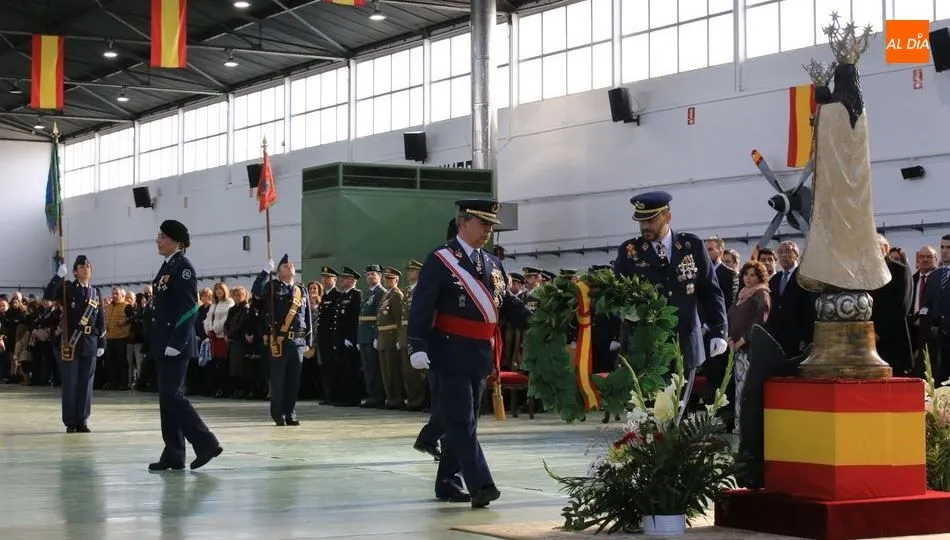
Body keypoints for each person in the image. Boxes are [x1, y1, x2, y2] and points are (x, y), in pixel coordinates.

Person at [408, 199, 529, 508]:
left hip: (480, 353)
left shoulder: (493, 263)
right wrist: (417, 345)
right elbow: (422, 304)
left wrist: (543, 322)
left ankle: (447, 481)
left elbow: (508, 305)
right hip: (448, 350)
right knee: (462, 421)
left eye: (491, 226)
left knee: (465, 419)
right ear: (463, 223)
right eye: (483, 224)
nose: (488, 231)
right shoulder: (441, 259)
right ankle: (481, 485)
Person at [612, 191, 728, 408]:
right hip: (646, 347)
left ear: (667, 216)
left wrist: (719, 330)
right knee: (648, 413)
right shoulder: (630, 251)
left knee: (679, 410)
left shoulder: (691, 246)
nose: (645, 227)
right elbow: (616, 294)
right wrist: (626, 311)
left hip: (685, 342)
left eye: (650, 220)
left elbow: (711, 292)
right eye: (641, 221)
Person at [148, 219, 222, 471]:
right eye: (159, 236)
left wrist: (177, 341)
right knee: (166, 400)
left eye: (163, 237)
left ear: (176, 242)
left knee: (173, 397)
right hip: (164, 342)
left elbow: (190, 307)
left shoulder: (182, 267)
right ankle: (174, 453)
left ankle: (207, 443)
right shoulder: (168, 266)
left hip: (175, 344)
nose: (158, 240)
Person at [44, 255, 105, 433]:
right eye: (81, 267)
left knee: (86, 383)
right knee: (70, 382)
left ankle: (82, 420)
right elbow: (49, 295)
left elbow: (101, 318)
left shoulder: (95, 292)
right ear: (75, 271)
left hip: (90, 342)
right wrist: (58, 276)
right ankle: (70, 421)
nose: (85, 269)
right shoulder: (67, 288)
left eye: (88, 267)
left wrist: (102, 342)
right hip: (71, 342)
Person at [252, 253, 312, 426]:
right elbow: (256, 291)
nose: (290, 266)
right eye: (285, 266)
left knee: (294, 380)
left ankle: (290, 412)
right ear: (278, 272)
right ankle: (278, 414)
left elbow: (306, 317)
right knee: (279, 380)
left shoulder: (301, 290)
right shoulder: (272, 286)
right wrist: (265, 272)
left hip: (298, 342)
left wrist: (308, 341)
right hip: (280, 341)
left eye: (291, 265)